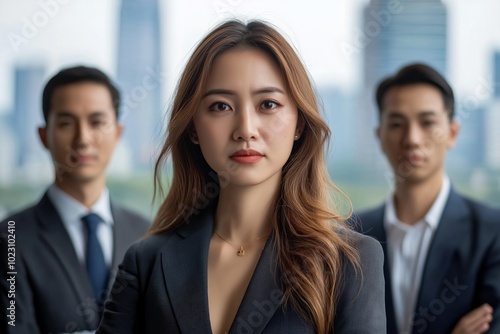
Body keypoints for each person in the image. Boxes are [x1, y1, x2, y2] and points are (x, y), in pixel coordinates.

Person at [96, 20, 386, 334]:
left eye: (268, 104)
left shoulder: (350, 262)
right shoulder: (146, 263)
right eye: (221, 106)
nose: (246, 129)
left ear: (300, 123)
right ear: (193, 127)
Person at [0, 66, 150, 334]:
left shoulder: (147, 233)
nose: (83, 139)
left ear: (117, 133)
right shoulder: (9, 237)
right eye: (67, 123)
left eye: (97, 122)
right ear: (43, 136)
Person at [355, 63, 500, 334]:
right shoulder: (349, 237)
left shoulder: (492, 234)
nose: (412, 138)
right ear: (379, 135)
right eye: (397, 123)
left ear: (453, 133)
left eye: (428, 123)